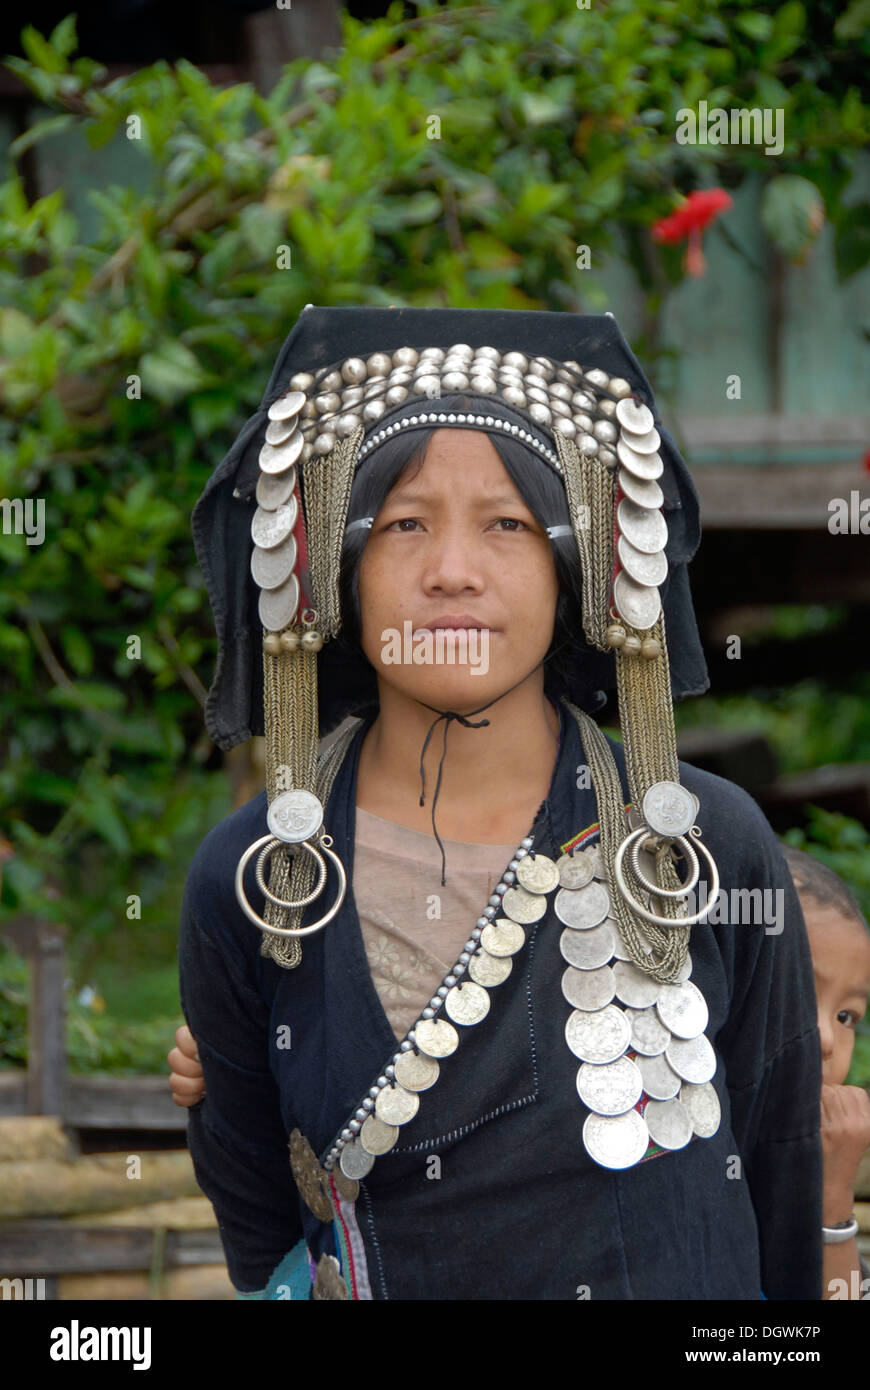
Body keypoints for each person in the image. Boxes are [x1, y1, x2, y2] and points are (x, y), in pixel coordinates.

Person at [175, 306, 822, 1299]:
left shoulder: (707, 849)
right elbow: (267, 1240)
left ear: (577, 571)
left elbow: (778, 1183)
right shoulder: (254, 884)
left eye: (508, 524)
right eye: (403, 524)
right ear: (339, 572)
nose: (452, 572)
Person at [783, 846, 870, 1299]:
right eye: (798, 988)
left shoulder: (827, 1162)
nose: (828, 1040)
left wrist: (833, 1201)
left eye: (846, 1016)